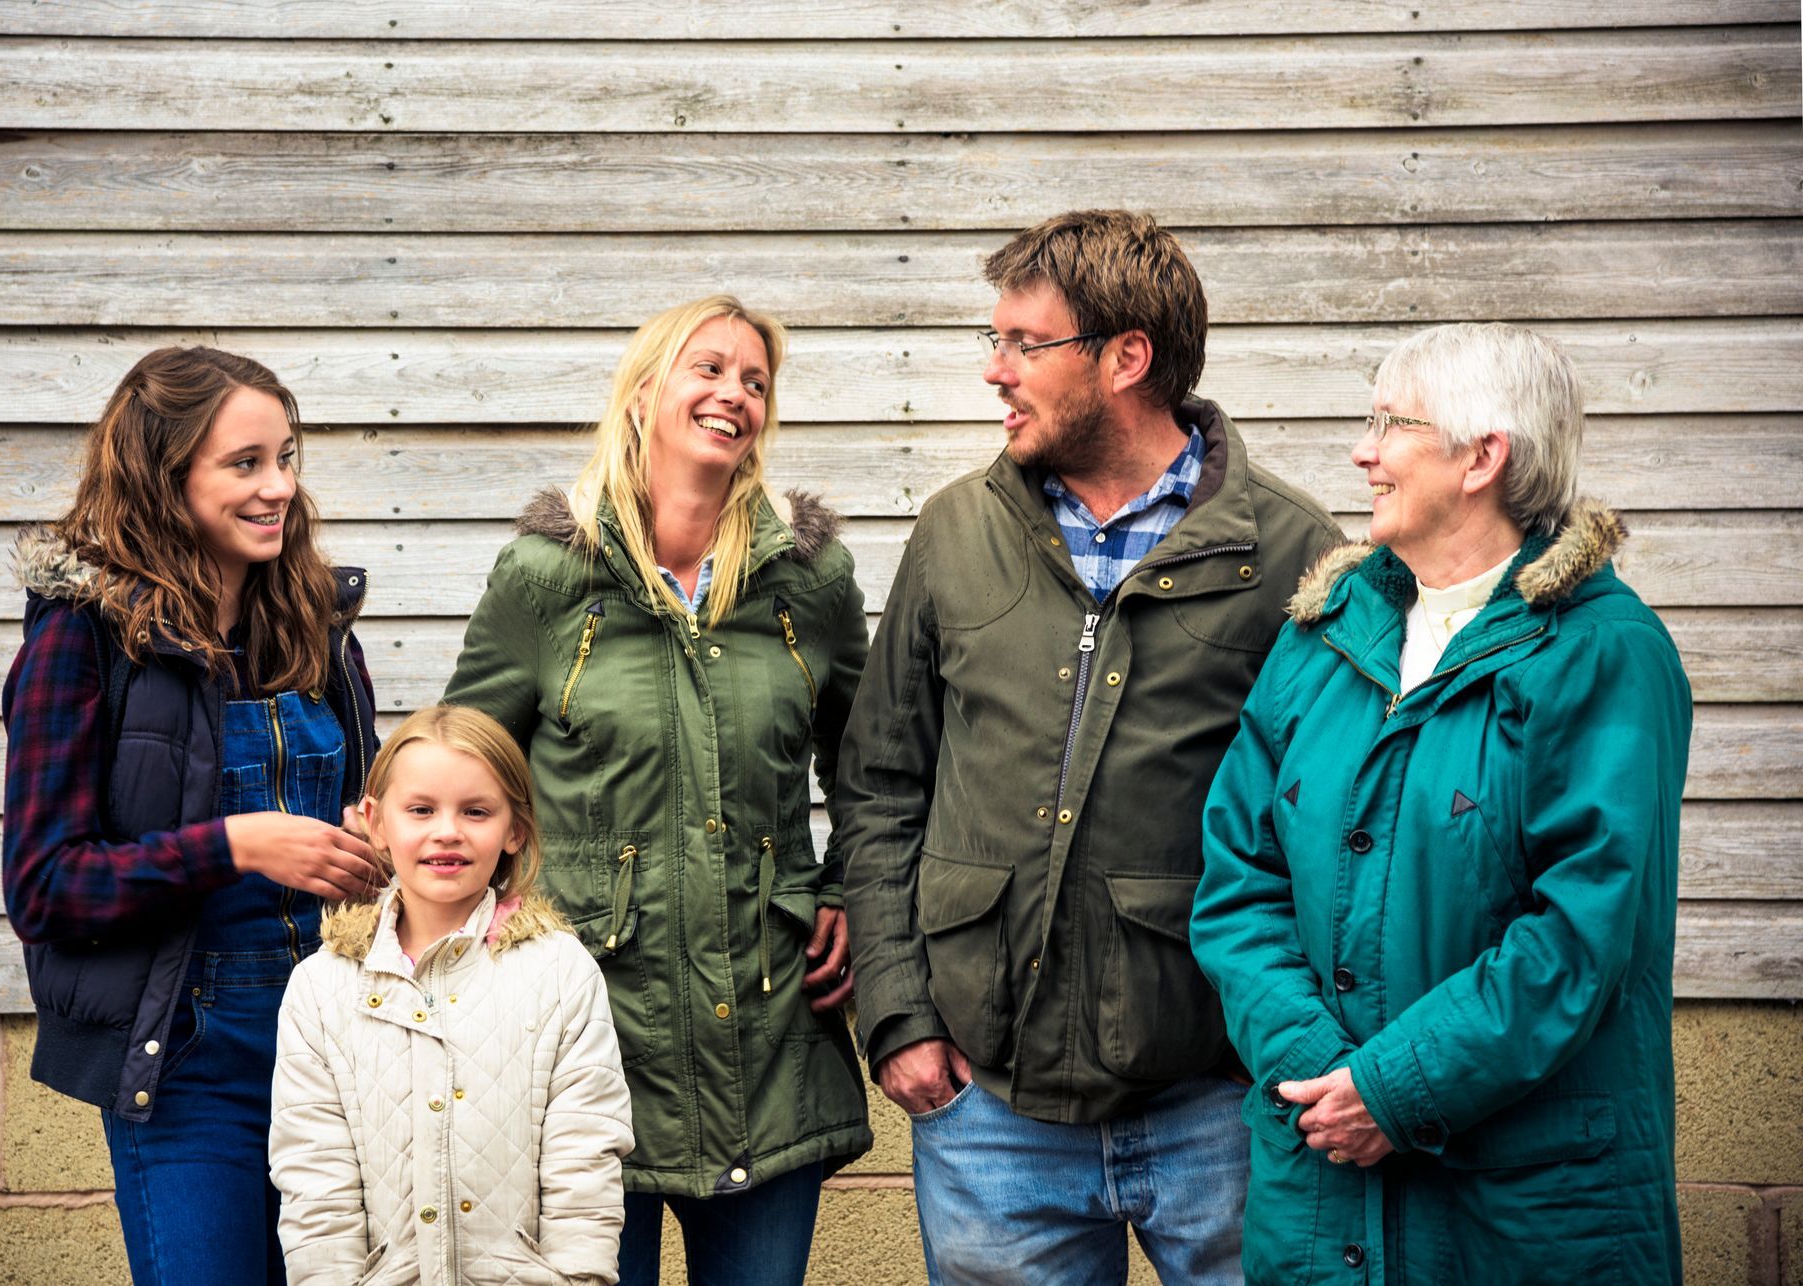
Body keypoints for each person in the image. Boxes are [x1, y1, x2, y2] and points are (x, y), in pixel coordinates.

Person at [831, 209, 1344, 1284]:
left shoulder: (1292, 551)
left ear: (1126, 357)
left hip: (1213, 1099)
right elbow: (881, 782)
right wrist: (898, 1013)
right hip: (988, 1108)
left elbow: (1337, 827)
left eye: (1025, 343)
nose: (995, 371)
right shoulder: (956, 530)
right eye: (994, 340)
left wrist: (1292, 1049)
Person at [1190, 322, 1691, 1282]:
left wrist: (1391, 1089)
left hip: (1528, 1210)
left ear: (1483, 457)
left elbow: (1581, 933)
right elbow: (1237, 881)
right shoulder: (1324, 637)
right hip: (1322, 1179)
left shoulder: (1601, 654)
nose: (1362, 450)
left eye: (1392, 423)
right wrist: (1322, 1078)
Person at [443, 295, 871, 1286]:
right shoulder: (547, 576)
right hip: (587, 1036)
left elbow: (877, 768)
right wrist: (488, 931)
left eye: (755, 381)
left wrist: (849, 888)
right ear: (644, 394)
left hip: (768, 1031)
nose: (734, 394)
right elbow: (467, 767)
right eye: (708, 369)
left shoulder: (810, 583)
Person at [1, 346, 383, 1283]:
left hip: (335, 1043)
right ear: (163, 479)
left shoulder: (317, 627)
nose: (278, 487)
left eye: (286, 458)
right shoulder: (82, 638)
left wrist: (385, 840)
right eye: (245, 463)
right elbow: (47, 889)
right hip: (188, 1050)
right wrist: (233, 847)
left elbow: (361, 817)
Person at [269, 705, 634, 1285]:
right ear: (376, 822)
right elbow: (316, 1181)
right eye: (420, 809)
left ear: (515, 828)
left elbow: (584, 1163)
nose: (447, 830)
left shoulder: (560, 971)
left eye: (476, 811)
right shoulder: (322, 988)